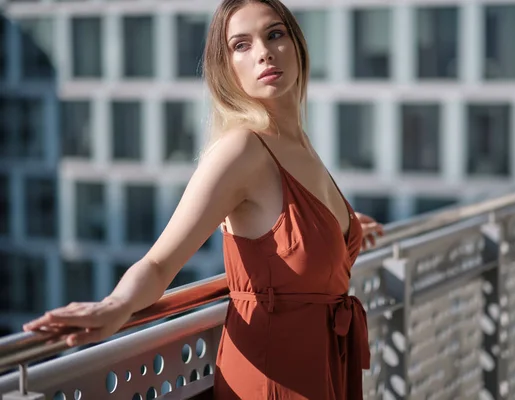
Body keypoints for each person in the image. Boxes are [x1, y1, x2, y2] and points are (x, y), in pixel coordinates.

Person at [24, 0, 384, 398]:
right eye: (241, 45)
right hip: (274, 378)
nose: (263, 51)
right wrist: (116, 305)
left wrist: (342, 230)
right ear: (225, 68)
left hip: (324, 368)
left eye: (274, 34)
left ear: (297, 44)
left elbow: (293, 237)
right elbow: (160, 263)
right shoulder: (242, 151)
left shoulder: (299, 144)